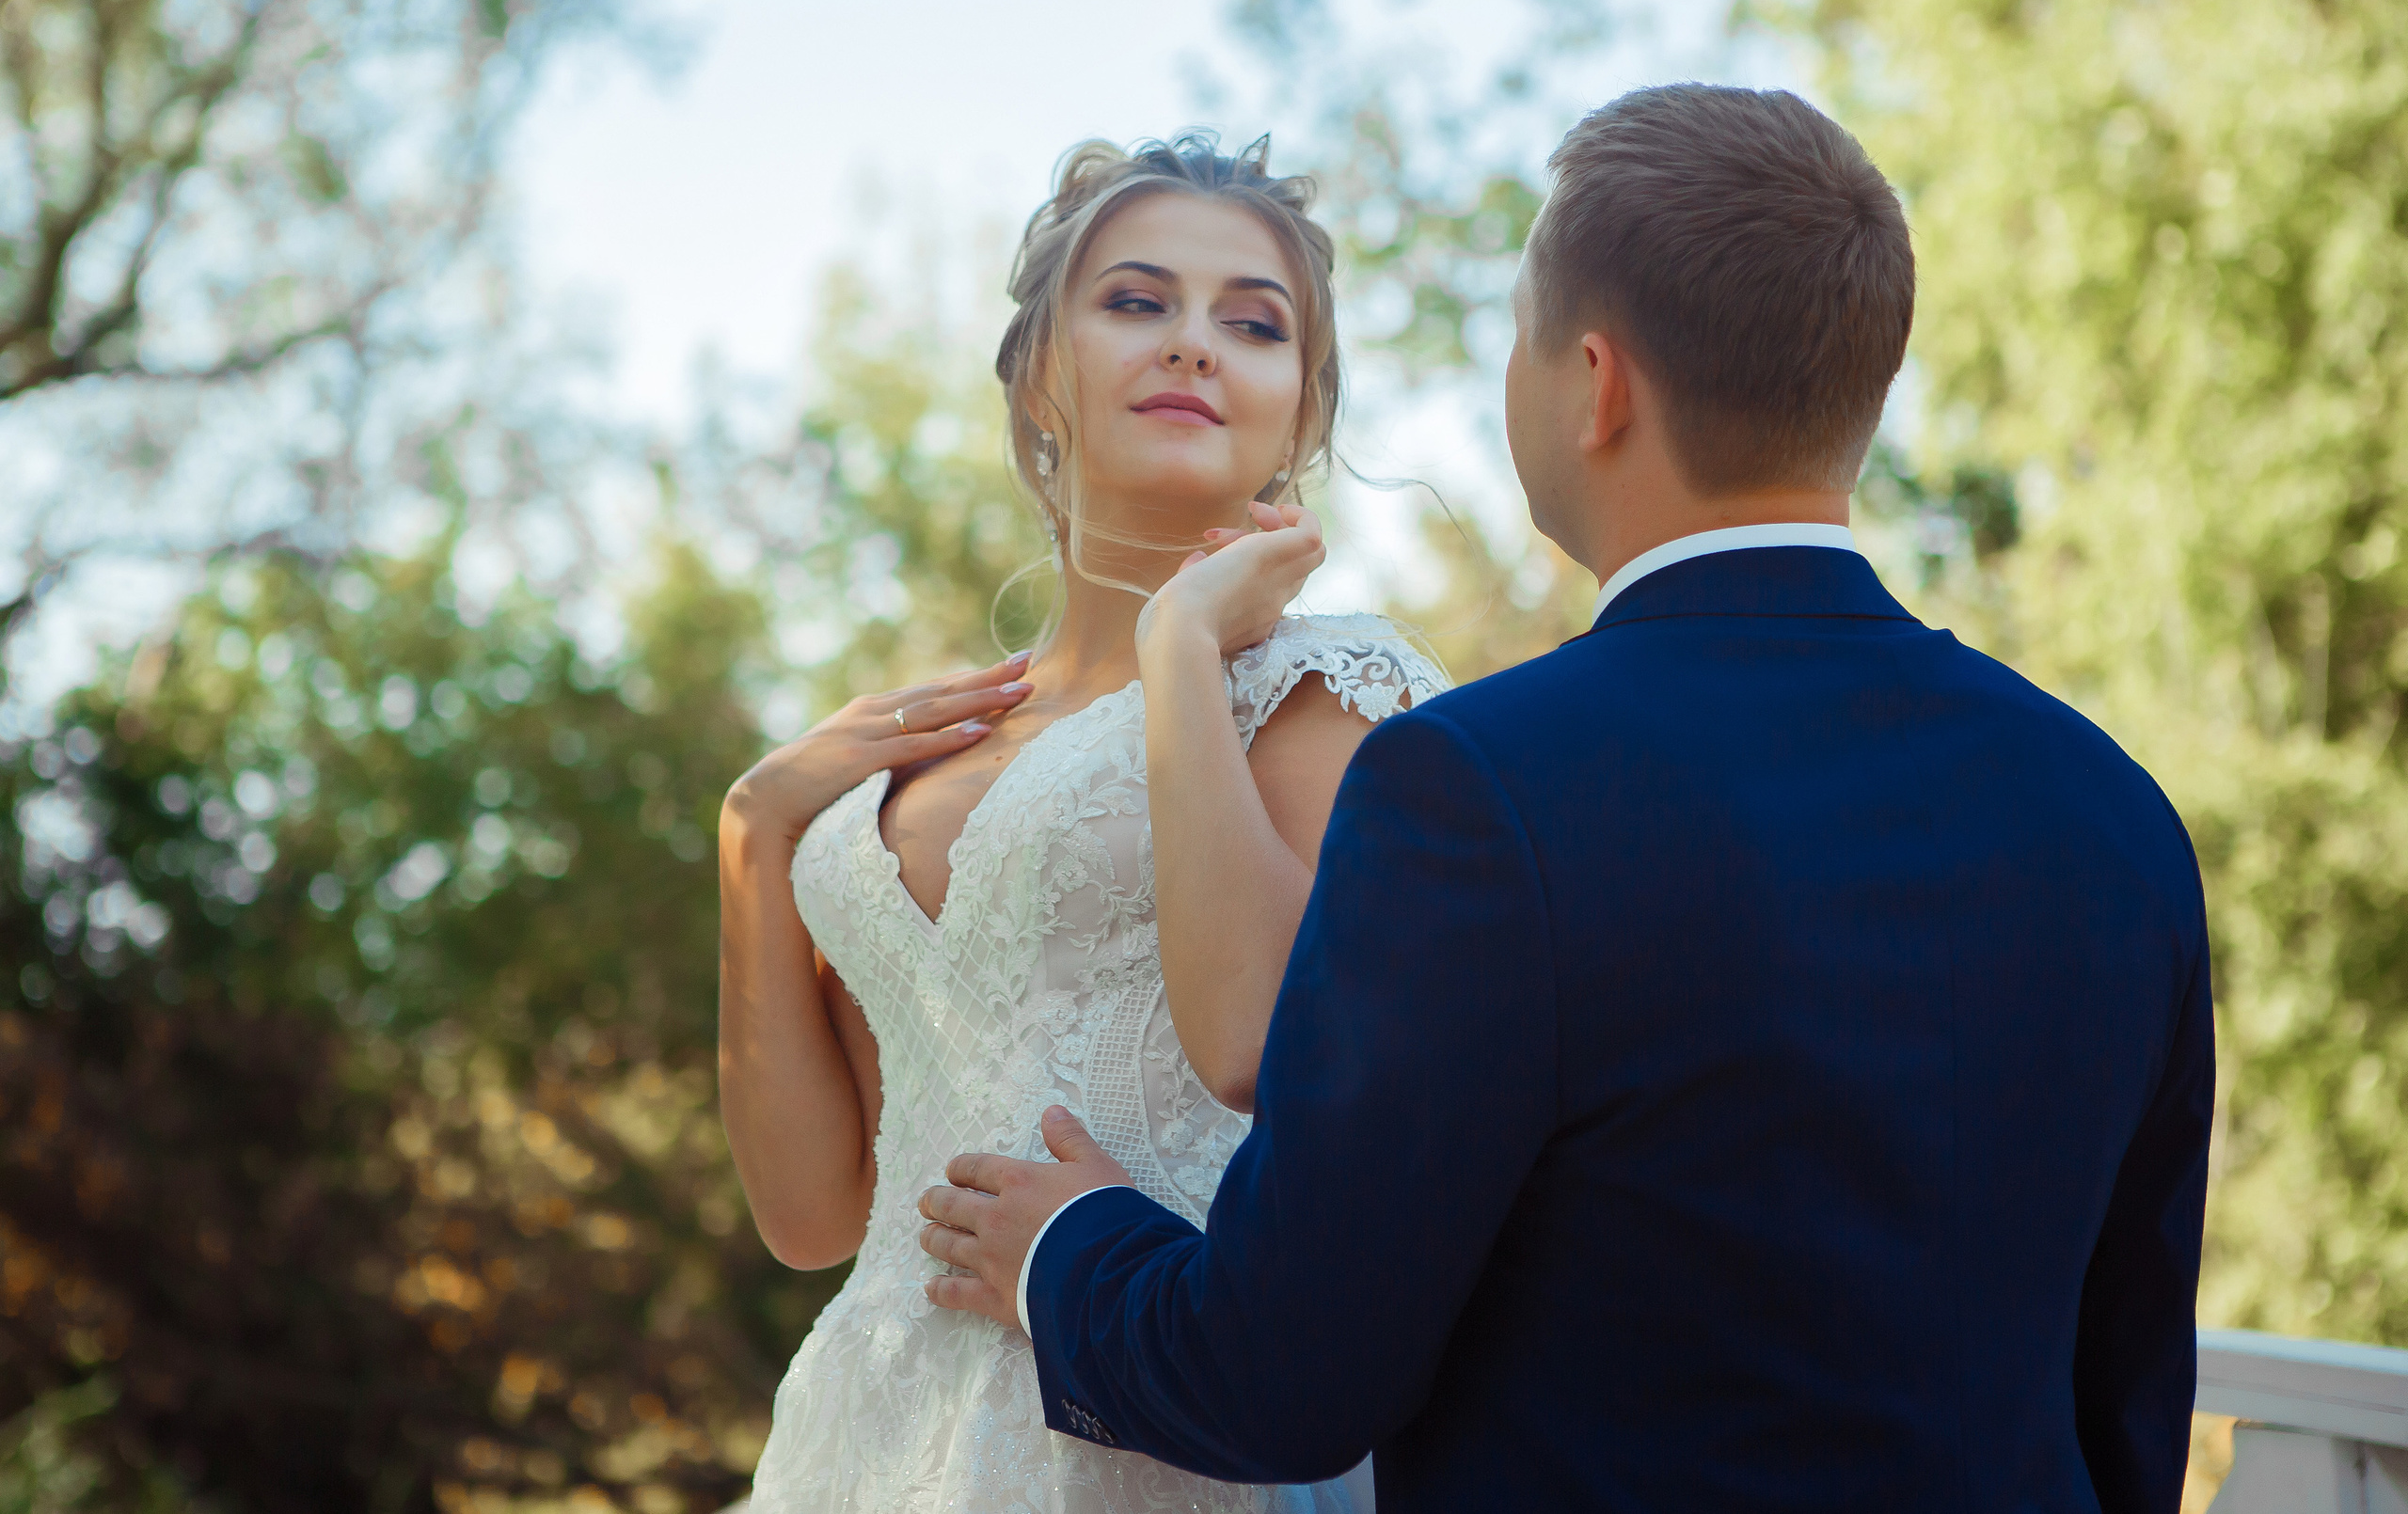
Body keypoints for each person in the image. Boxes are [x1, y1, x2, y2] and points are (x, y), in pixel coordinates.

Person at [915, 85, 2214, 1514]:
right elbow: (2130, 1398)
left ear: (1593, 385)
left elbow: (1282, 1376)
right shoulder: (2116, 815)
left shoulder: (1477, 793)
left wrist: (1069, 1246)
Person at [720, 132, 1443, 1513]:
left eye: (1254, 323)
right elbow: (812, 1218)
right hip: (867, 1440)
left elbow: (1290, 1051)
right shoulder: (919, 746)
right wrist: (755, 838)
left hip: (1143, 1428)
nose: (1191, 344)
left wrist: (1182, 649)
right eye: (1135, 301)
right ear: (1040, 373)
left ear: (1299, 411)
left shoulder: (1328, 692)